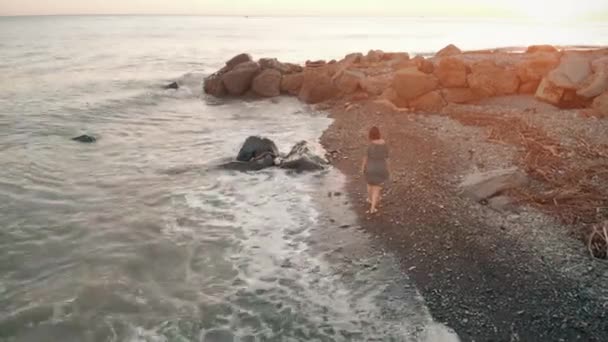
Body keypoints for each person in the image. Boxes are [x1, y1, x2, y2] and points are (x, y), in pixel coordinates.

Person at [361, 126, 390, 214]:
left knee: (369, 185)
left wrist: (362, 168)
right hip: (380, 168)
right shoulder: (384, 145)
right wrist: (388, 168)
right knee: (377, 188)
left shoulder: (370, 146)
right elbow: (387, 158)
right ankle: (373, 208)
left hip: (370, 168)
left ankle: (369, 199)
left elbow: (365, 158)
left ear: (370, 135)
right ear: (379, 134)